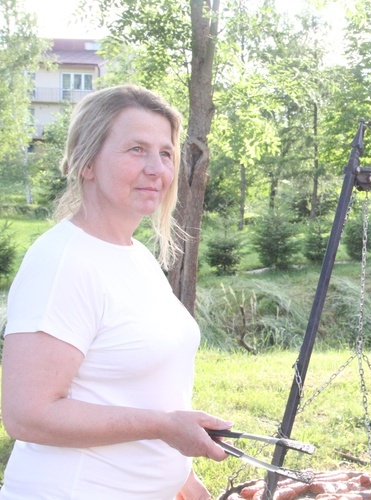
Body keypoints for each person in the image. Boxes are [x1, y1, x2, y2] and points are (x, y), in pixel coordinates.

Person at [1, 84, 233, 499]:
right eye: (136, 149)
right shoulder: (63, 262)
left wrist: (179, 477)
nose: (156, 168)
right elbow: (27, 414)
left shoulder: (136, 256)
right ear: (87, 163)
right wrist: (164, 427)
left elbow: (135, 386)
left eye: (165, 152)